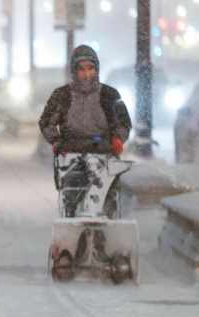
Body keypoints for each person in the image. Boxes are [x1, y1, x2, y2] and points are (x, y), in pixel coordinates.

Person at [38, 45, 132, 218]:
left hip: (104, 153)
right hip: (71, 156)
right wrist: (56, 142)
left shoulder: (109, 95)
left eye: (90, 68)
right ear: (74, 71)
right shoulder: (62, 96)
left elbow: (123, 122)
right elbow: (46, 122)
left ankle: (107, 231)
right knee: (72, 201)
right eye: (81, 69)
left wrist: (118, 139)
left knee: (107, 202)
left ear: (97, 69)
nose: (87, 74)